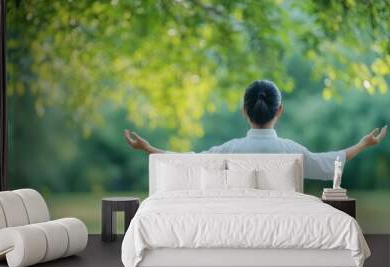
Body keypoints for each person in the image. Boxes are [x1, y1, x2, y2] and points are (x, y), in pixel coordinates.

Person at [123, 80, 387, 180]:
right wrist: (364, 144)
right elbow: (329, 164)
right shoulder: (291, 151)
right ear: (279, 111)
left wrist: (147, 148)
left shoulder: (229, 149)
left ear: (244, 112)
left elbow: (188, 162)